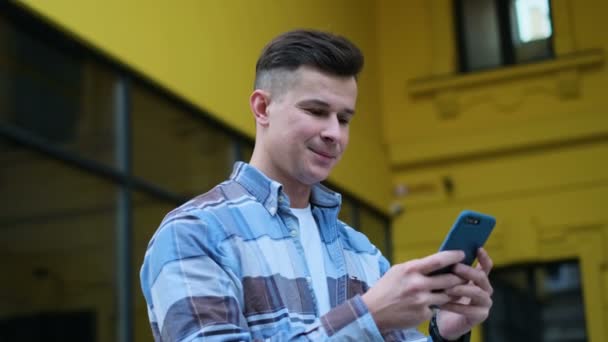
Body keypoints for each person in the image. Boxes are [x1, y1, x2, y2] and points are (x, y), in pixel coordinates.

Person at [140, 29, 493, 342]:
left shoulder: (361, 252)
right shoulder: (195, 234)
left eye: (344, 118)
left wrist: (445, 332)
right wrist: (367, 316)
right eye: (316, 111)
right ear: (262, 107)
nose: (334, 133)